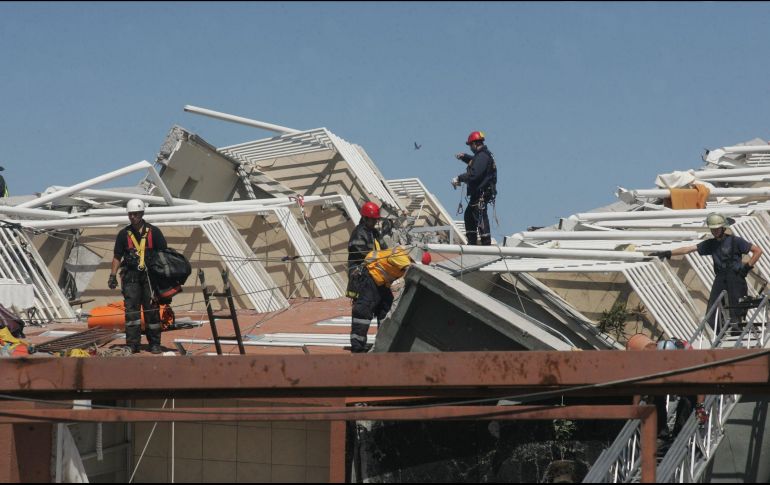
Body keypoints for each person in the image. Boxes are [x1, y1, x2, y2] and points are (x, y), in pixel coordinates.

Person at [650, 212, 763, 329]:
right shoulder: (711, 244)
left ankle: (737, 331)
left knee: (736, 308)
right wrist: (668, 253)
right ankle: (719, 334)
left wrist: (746, 268)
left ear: (723, 227)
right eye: (712, 229)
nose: (714, 232)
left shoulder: (736, 241)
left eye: (716, 229)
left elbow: (758, 251)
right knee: (713, 310)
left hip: (736, 277)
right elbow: (688, 249)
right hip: (720, 278)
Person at [108, 199, 168, 354]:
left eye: (135, 214)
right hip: (131, 278)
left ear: (142, 213)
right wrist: (112, 275)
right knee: (132, 312)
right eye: (130, 214)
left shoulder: (154, 232)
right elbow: (117, 256)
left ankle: (154, 343)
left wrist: (162, 276)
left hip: (150, 277)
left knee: (151, 310)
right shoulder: (123, 234)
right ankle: (132, 344)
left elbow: (164, 255)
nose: (132, 217)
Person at [347, 202, 390, 353]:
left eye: (376, 220)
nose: (375, 222)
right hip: (364, 278)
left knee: (386, 306)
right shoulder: (358, 233)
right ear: (365, 218)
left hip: (377, 277)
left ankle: (385, 341)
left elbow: (385, 250)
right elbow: (362, 253)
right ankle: (358, 346)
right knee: (363, 311)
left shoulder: (375, 233)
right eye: (373, 220)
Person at [653, 338, 708, 450]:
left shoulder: (689, 357)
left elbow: (700, 383)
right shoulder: (655, 354)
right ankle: (662, 435)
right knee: (656, 397)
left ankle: (678, 437)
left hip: (687, 379)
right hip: (668, 377)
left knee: (687, 399)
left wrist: (700, 407)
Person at [452, 131, 497, 245]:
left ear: (475, 143)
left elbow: (474, 174)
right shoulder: (482, 155)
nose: (470, 148)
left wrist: (459, 178)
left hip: (481, 193)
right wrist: (464, 157)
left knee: (479, 215)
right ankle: (472, 242)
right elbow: (475, 162)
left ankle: (485, 243)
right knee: (469, 215)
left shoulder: (482, 156)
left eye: (470, 145)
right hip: (478, 193)